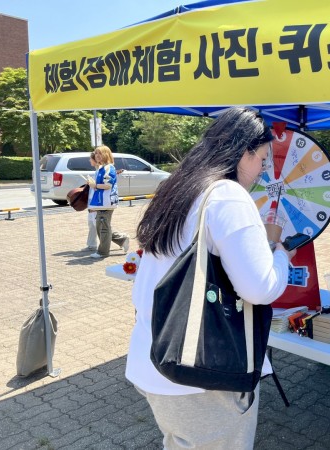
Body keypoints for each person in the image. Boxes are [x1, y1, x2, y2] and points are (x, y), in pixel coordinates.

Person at [125, 107, 296, 449]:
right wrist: (280, 255)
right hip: (202, 372)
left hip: (153, 357)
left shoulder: (179, 187)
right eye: (262, 158)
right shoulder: (229, 195)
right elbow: (260, 288)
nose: (263, 170)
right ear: (243, 152)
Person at [87, 145, 129, 258]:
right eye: (96, 153)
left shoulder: (108, 168)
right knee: (101, 226)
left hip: (106, 201)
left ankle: (103, 252)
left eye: (100, 153)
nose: (97, 156)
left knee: (103, 227)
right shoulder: (101, 168)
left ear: (106, 154)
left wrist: (94, 185)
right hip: (101, 202)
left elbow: (108, 185)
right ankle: (122, 239)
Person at [83, 152, 98, 252]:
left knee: (101, 226)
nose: (89, 161)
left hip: (96, 203)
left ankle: (122, 239)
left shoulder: (101, 172)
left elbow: (100, 189)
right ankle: (91, 244)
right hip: (91, 203)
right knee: (92, 224)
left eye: (91, 159)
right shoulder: (96, 172)